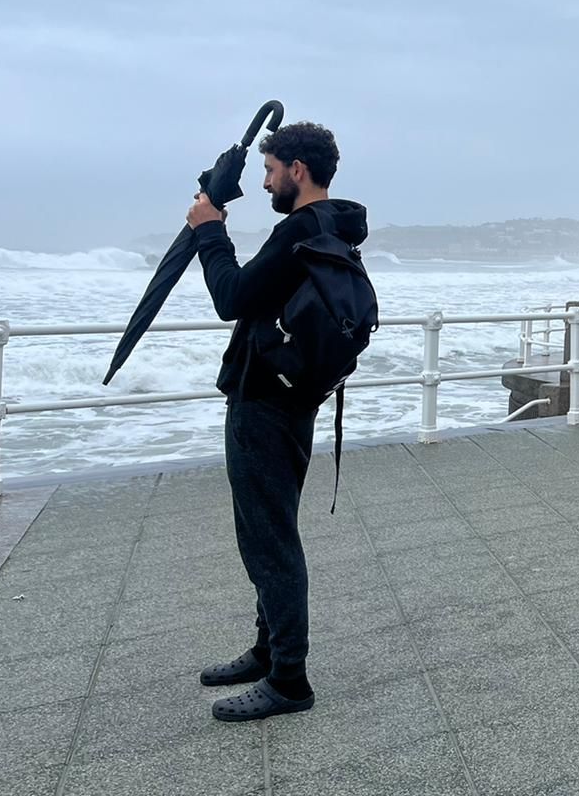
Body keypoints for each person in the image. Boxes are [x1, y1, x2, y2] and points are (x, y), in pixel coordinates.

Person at [186, 122, 368, 723]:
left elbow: (231, 297)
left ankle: (289, 679)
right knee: (272, 531)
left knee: (270, 543)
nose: (264, 181)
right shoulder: (333, 227)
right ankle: (269, 651)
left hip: (264, 403)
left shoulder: (299, 231)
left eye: (269, 170)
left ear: (297, 169)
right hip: (294, 400)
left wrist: (210, 231)